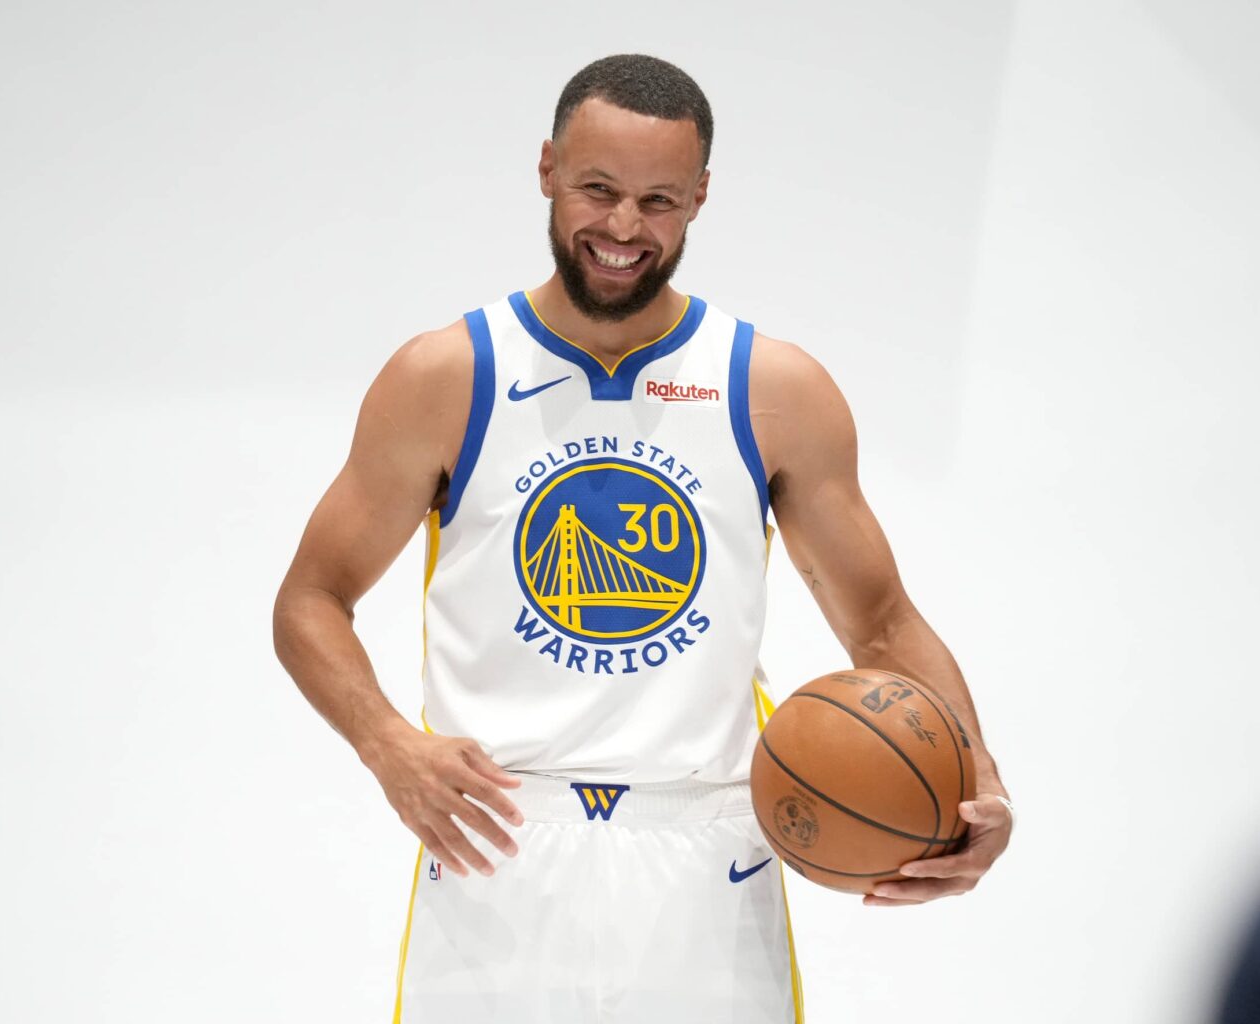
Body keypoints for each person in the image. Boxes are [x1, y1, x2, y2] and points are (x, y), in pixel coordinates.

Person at [271, 52, 1013, 1023]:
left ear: (702, 196)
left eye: (658, 199)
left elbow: (880, 621)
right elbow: (309, 600)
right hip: (496, 841)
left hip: (711, 852)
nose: (623, 227)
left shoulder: (771, 388)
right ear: (545, 169)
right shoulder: (446, 375)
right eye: (597, 189)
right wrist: (386, 745)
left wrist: (978, 782)